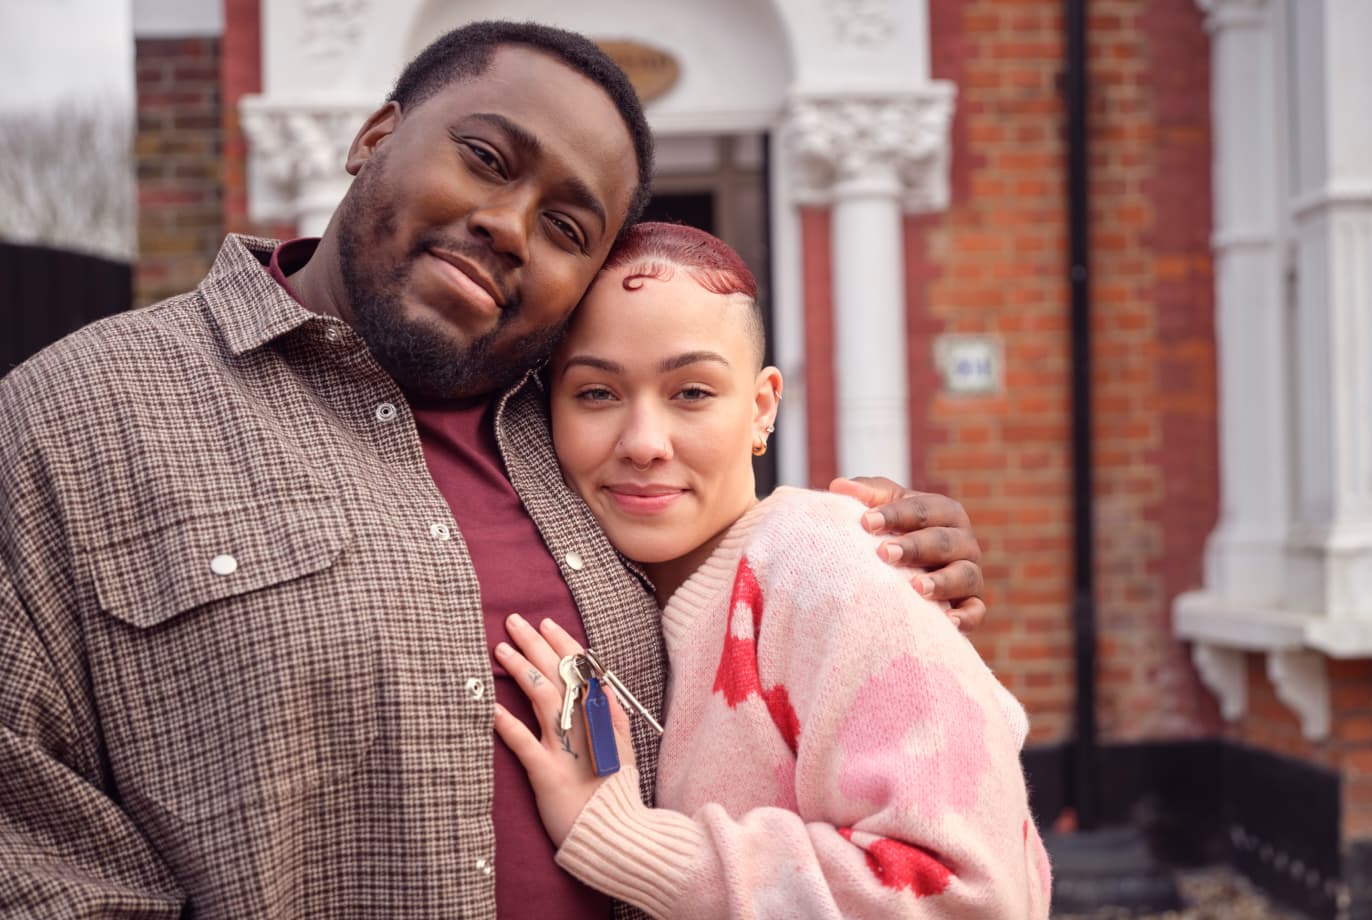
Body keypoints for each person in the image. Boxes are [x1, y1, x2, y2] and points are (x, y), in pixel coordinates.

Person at [0, 22, 987, 920]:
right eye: (485, 159)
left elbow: (751, 620)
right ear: (374, 135)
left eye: (568, 229)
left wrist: (874, 558)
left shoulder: (583, 447)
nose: (510, 226)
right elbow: (31, 844)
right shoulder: (77, 419)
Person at [494, 222, 1051, 917]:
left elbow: (968, 894)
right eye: (597, 394)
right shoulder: (617, 579)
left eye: (691, 392)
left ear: (761, 408)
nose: (642, 442)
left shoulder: (830, 563)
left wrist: (623, 838)